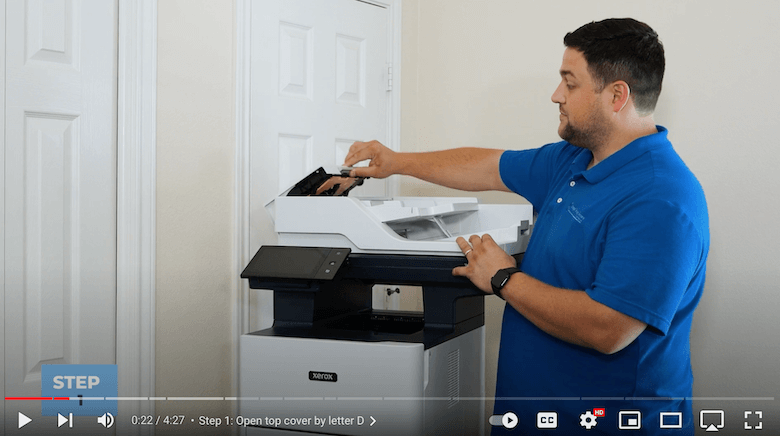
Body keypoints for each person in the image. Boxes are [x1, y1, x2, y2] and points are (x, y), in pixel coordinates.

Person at [341, 18, 708, 435]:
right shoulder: (572, 160)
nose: (556, 96)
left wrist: (502, 278)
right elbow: (489, 166)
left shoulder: (660, 198)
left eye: (570, 83)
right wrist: (395, 162)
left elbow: (608, 327)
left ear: (616, 95)